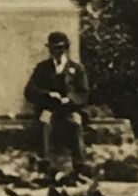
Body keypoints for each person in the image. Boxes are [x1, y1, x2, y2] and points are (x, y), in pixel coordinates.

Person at [24, 32, 90, 173]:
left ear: (67, 48)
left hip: (69, 109)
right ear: (50, 50)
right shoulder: (43, 68)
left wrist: (70, 99)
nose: (59, 52)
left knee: (76, 121)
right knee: (44, 120)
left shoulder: (77, 69)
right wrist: (48, 94)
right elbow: (30, 90)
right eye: (55, 48)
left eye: (62, 48)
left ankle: (80, 165)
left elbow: (84, 93)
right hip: (50, 107)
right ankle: (45, 163)